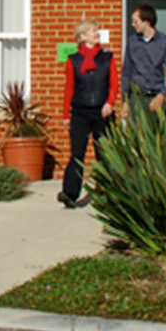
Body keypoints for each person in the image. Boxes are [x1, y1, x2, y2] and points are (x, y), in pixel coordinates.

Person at [58, 20, 116, 208]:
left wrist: (109, 103)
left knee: (105, 154)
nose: (96, 33)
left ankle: (109, 193)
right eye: (92, 31)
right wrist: (66, 115)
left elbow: (114, 84)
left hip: (102, 112)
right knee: (77, 154)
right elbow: (68, 89)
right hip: (80, 112)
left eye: (96, 30)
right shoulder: (73, 60)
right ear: (83, 37)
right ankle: (70, 193)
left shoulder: (107, 58)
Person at [120, 3, 166, 117]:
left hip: (157, 99)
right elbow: (127, 72)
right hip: (136, 99)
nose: (133, 24)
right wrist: (125, 101)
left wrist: (162, 95)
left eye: (136, 21)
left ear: (146, 22)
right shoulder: (132, 43)